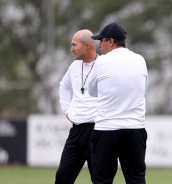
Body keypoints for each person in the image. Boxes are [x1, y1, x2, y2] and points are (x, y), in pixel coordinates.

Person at [88, 22, 148, 184]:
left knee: (102, 180)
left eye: (101, 41)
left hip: (107, 128)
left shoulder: (101, 62)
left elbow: (92, 90)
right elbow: (143, 89)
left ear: (111, 41)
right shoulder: (140, 60)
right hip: (135, 128)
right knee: (136, 179)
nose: (99, 45)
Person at [55, 29, 99, 184]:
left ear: (87, 46)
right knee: (62, 178)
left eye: (74, 45)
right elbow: (63, 87)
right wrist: (67, 111)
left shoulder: (104, 66)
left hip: (98, 132)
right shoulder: (74, 66)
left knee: (99, 180)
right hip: (76, 132)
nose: (71, 49)